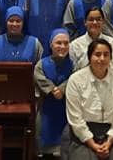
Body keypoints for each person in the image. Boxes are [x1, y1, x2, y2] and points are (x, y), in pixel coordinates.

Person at [63, 39, 113, 160]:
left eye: (106, 55)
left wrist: (108, 143)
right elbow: (75, 118)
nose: (102, 59)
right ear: (89, 57)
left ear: (111, 58)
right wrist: (92, 144)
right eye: (97, 54)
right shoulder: (76, 79)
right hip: (83, 132)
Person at [35, 29, 75, 158]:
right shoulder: (42, 64)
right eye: (58, 43)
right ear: (51, 45)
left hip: (67, 109)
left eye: (66, 43)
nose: (62, 47)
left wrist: (62, 89)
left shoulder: (74, 64)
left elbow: (75, 78)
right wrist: (52, 89)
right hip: (46, 108)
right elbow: (38, 77)